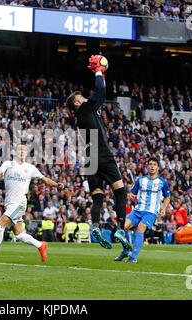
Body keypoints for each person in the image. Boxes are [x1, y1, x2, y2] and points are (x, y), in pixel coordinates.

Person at [65, 54, 130, 252]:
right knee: (120, 192)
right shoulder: (84, 109)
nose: (83, 98)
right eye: (80, 98)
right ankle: (119, 228)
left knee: (98, 197)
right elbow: (100, 90)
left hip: (89, 160)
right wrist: (99, 70)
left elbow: (100, 98)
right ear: (76, 104)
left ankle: (95, 227)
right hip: (101, 154)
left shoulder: (82, 115)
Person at [0, 144, 64, 264]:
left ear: (27, 153)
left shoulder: (31, 168)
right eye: (20, 149)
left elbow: (44, 179)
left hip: (19, 203)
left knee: (0, 224)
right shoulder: (8, 164)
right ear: (15, 152)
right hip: (9, 203)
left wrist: (56, 184)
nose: (22, 151)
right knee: (18, 234)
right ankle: (40, 245)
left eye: (24, 150)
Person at [115, 157, 170, 263]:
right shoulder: (140, 180)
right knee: (122, 227)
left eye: (154, 164)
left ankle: (133, 257)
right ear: (147, 167)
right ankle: (126, 250)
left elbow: (167, 196)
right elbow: (133, 193)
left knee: (140, 228)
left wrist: (164, 208)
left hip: (150, 212)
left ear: (158, 168)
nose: (152, 166)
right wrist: (131, 195)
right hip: (137, 210)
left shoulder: (162, 182)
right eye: (150, 164)